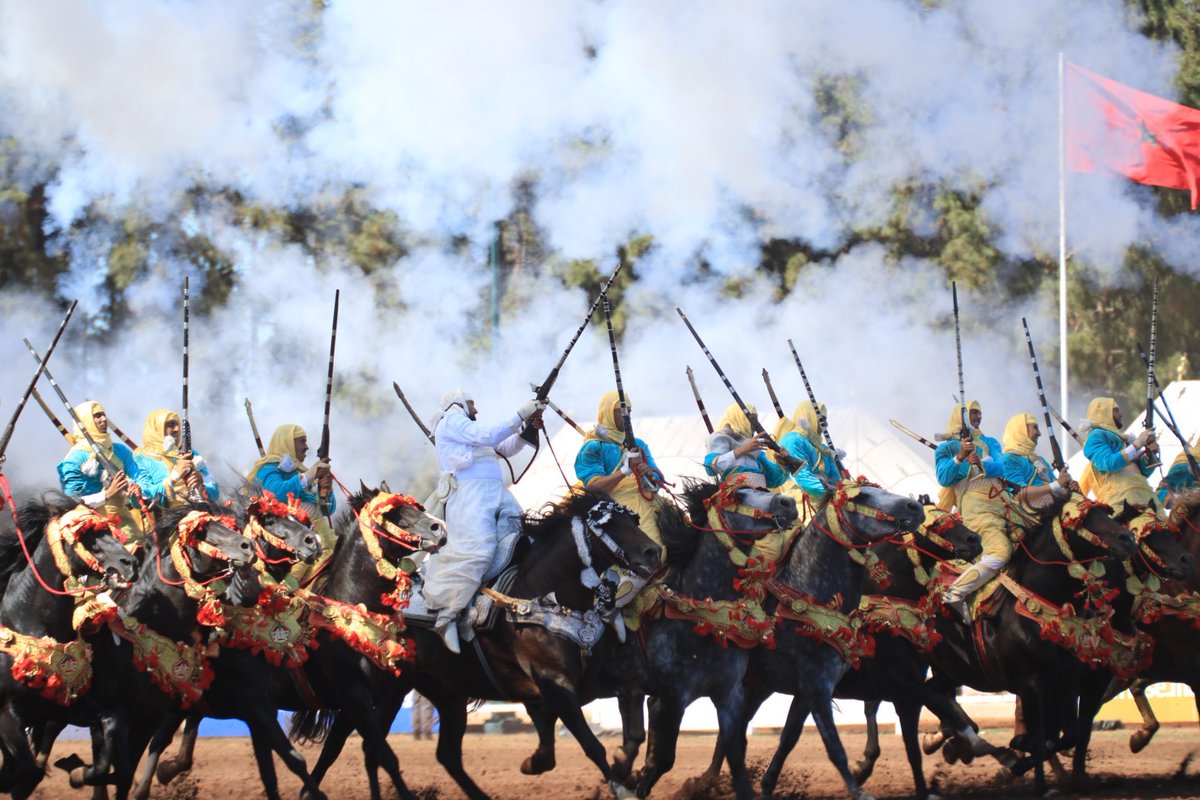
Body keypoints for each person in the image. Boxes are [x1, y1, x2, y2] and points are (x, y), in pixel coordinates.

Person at [421, 389, 543, 653]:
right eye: (472, 404)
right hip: (470, 497)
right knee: (477, 552)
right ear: (459, 404)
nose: (475, 410)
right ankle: (447, 617)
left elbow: (505, 447)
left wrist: (526, 428)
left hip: (495, 492)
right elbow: (489, 434)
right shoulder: (452, 421)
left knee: (525, 537)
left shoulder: (468, 429)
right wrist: (522, 412)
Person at [935, 401, 1009, 623]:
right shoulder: (946, 447)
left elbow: (1001, 466)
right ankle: (955, 593)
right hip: (976, 507)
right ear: (961, 416)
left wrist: (982, 463)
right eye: (973, 413)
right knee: (1000, 552)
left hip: (1004, 502)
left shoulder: (989, 441)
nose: (978, 417)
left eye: (979, 413)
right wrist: (960, 458)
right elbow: (943, 477)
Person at [574, 390, 667, 549]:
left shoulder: (639, 444)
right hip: (617, 507)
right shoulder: (592, 447)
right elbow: (593, 488)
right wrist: (624, 472)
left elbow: (658, 482)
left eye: (629, 412)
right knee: (657, 550)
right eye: (622, 412)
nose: (627, 417)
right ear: (608, 413)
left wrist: (648, 474)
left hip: (651, 501)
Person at [248, 424, 335, 579]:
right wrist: (308, 476)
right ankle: (289, 584)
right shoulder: (267, 468)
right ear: (287, 442)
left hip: (307, 532)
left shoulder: (300, 471)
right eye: (302, 441)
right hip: (281, 534)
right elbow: (276, 493)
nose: (307, 447)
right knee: (308, 509)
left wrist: (326, 491)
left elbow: (327, 510)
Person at [57, 400, 150, 541]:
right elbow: (71, 502)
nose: (104, 419)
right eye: (97, 416)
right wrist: (106, 494)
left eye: (104, 415)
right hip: (94, 531)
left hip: (128, 523)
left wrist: (136, 489)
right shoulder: (74, 459)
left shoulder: (120, 450)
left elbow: (141, 479)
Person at [1081, 397, 1160, 533]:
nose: (1121, 415)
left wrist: (1149, 456)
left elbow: (1141, 472)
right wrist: (1136, 445)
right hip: (1121, 499)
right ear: (1104, 412)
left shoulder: (1124, 439)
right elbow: (1108, 463)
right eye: (1116, 410)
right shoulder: (1096, 436)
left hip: (1145, 494)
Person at [133, 409, 219, 509]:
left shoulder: (189, 453)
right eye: (171, 425)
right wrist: (175, 477)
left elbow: (215, 492)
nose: (177, 429)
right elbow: (143, 496)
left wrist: (201, 484)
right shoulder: (142, 459)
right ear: (157, 428)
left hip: (199, 510)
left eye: (177, 424)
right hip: (168, 519)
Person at [777, 401, 843, 524]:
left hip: (827, 499)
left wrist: (845, 490)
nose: (825, 424)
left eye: (826, 420)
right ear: (810, 416)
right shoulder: (794, 440)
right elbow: (802, 478)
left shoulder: (822, 447)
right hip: (800, 502)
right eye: (822, 419)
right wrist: (831, 491)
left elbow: (836, 477)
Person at [703, 404, 788, 489]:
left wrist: (783, 462)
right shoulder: (720, 437)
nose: (755, 425)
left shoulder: (754, 449)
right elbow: (711, 468)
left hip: (759, 495)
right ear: (739, 418)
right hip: (735, 497)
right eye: (752, 420)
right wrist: (742, 449)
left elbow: (772, 480)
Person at [1001, 412, 1072, 512]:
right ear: (1021, 430)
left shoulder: (1040, 460)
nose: (1039, 433)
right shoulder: (1009, 459)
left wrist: (1069, 489)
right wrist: (1056, 484)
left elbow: (1057, 487)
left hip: (1053, 506)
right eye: (1035, 427)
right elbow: (1018, 495)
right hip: (1032, 516)